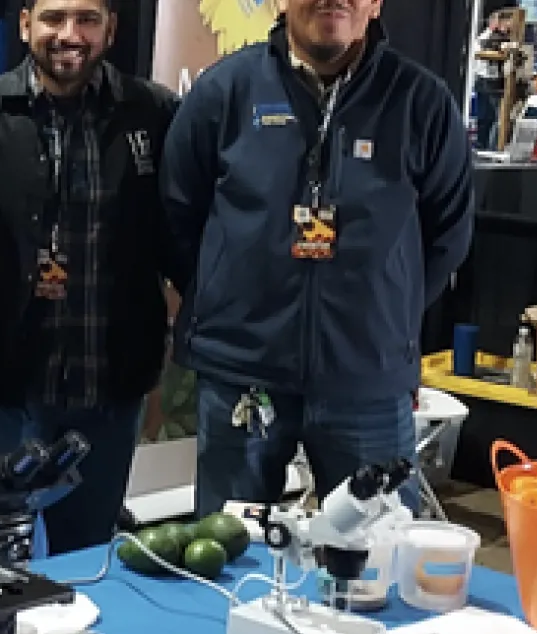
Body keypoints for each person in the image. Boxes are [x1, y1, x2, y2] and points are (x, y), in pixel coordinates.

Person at [161, 0, 475, 518]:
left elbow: (448, 232)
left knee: (378, 560)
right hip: (245, 373)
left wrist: (384, 312)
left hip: (366, 378)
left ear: (375, 4)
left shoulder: (421, 101)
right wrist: (231, 299)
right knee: (232, 555)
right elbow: (176, 216)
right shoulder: (224, 92)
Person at [0, 0, 183, 556]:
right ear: (24, 25)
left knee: (86, 558)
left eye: (86, 19)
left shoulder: (154, 114)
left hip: (110, 387)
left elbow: (181, 235)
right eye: (54, 18)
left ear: (110, 29)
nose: (69, 34)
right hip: (9, 389)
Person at [474, 9, 515, 150]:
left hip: (490, 81)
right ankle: (487, 146)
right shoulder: (488, 38)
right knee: (490, 118)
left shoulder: (495, 37)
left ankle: (485, 145)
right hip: (488, 81)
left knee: (489, 118)